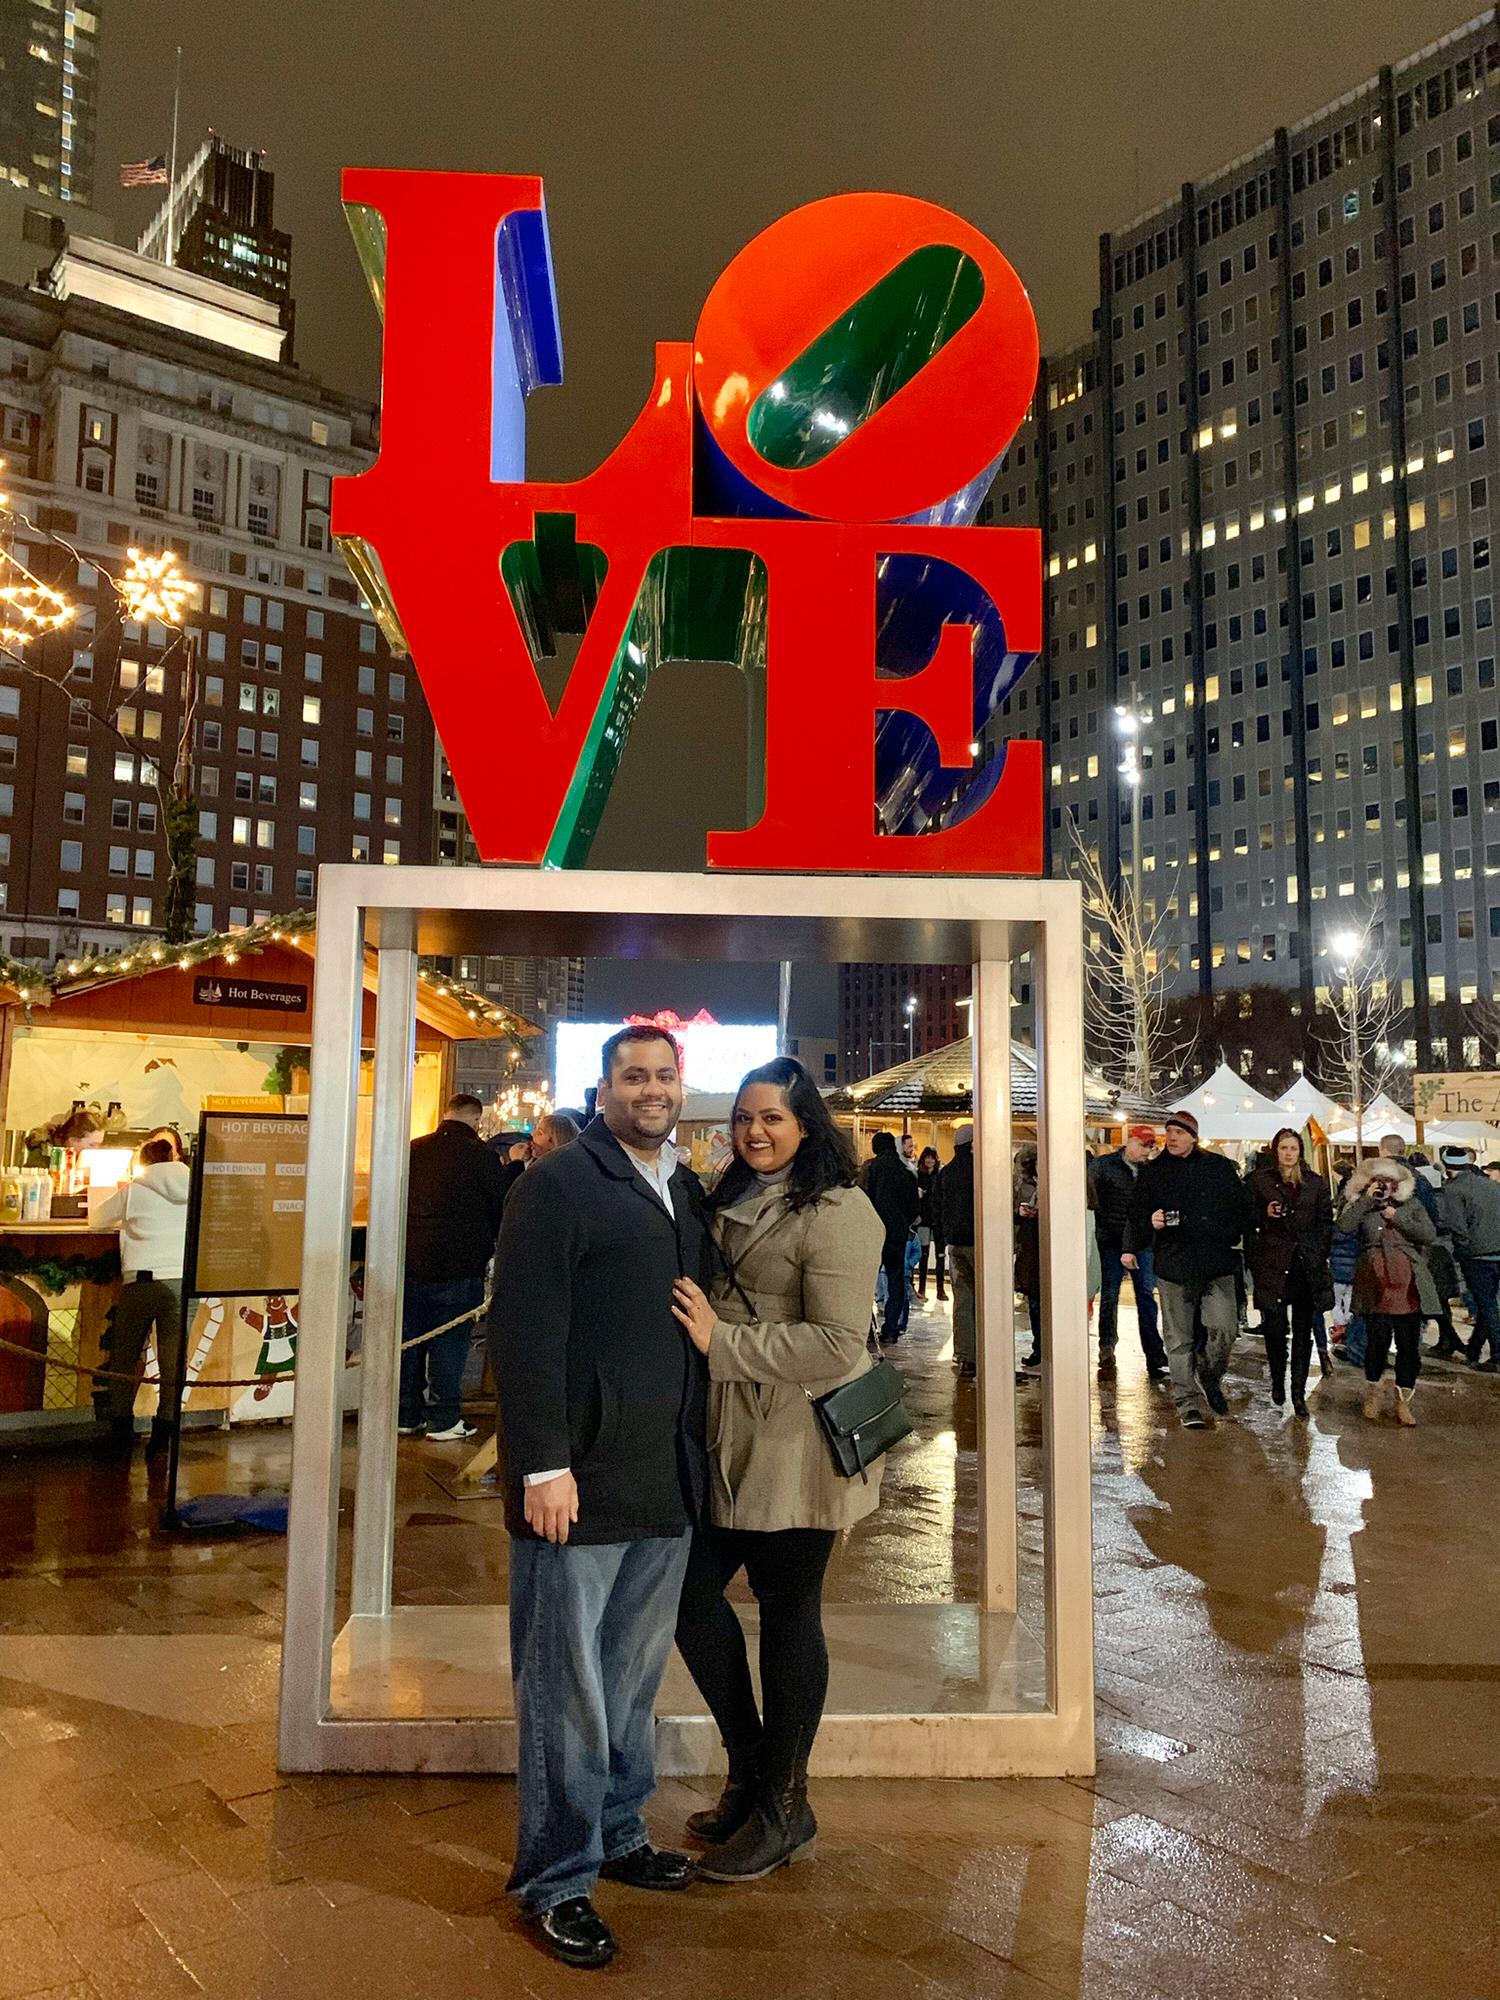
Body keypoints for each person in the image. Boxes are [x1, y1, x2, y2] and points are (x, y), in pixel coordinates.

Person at [488, 1026, 709, 1971]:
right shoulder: (558, 1184)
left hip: (663, 1476)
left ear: (680, 1085)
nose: (650, 1091)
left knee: (628, 1680)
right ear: (604, 1086)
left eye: (664, 1076)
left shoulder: (680, 1185)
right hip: (575, 1483)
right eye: (634, 1077)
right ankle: (556, 1878)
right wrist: (541, 1462)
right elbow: (524, 1327)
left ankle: (618, 1832)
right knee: (565, 1689)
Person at [669, 1057, 883, 1882]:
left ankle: (784, 1806)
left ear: (806, 1127)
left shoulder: (839, 1210)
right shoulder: (724, 1195)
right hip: (725, 1435)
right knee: (687, 1596)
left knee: (790, 1613)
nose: (755, 1132)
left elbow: (838, 1343)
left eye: (774, 1120)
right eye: (745, 1118)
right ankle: (752, 1768)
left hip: (798, 1445)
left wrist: (720, 1344)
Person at [1122, 1109, 1250, 1431]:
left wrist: (1230, 1233)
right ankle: (1187, 1403)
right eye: (1169, 1133)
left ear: (1193, 1135)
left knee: (1225, 1327)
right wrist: (1141, 1232)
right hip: (1174, 1264)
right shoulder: (1155, 1172)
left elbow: (1242, 1208)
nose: (1173, 1138)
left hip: (1215, 1262)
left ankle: (1209, 1372)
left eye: (1179, 1132)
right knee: (1178, 1340)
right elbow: (1137, 1211)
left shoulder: (1218, 1168)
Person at [398, 1093, 508, 1442]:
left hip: (408, 1263)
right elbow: (500, 1209)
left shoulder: (413, 1149)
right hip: (459, 1268)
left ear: (446, 1114)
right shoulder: (482, 1157)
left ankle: (405, 1415)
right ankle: (444, 1420)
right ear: (475, 1120)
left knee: (409, 1343)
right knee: (449, 1345)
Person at [92, 1136, 191, 1454]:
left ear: (145, 1162)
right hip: (181, 1282)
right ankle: (164, 1433)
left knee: (126, 1356)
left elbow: (96, 1219)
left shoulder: (136, 1189)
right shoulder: (196, 1188)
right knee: (173, 1362)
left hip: (142, 1281)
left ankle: (121, 1431)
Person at [1338, 1157, 1439, 1425]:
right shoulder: (1362, 1204)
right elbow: (1344, 1228)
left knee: (1409, 1346)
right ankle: (1373, 1393)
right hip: (1374, 1282)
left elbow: (1429, 1235)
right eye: (1379, 1182)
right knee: (1377, 1343)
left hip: (1409, 1283)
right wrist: (1365, 1202)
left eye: (1390, 1182)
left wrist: (1399, 1217)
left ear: (1398, 1184)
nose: (1385, 1187)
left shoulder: (1411, 1205)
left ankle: (1403, 1402)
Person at [1246, 1128, 1333, 1419]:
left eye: (1293, 1148)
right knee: (1274, 1328)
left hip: (1305, 1265)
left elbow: (1324, 1222)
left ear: (1300, 1151)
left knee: (1303, 1331)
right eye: (1283, 1148)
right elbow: (1245, 1217)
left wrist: (1319, 1253)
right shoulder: (1260, 1181)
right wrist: (1264, 1215)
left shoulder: (1315, 1184)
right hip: (1273, 1265)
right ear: (1275, 1150)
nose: (1288, 1153)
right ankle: (1277, 1381)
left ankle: (1298, 1392)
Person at [1089, 1126, 1170, 1381]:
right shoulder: (1105, 1166)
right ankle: (1107, 1345)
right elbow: (1093, 1199)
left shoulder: (1150, 1171)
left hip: (1141, 1240)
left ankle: (1155, 1355)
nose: (1147, 1151)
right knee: (1111, 1294)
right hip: (1112, 1239)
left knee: (1145, 1295)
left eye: (1150, 1146)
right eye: (1144, 1145)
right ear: (1130, 1142)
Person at [1436, 1143, 1500, 1372]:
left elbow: (1458, 1227)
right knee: (1488, 1304)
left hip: (1477, 1255)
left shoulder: (1453, 1189)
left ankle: (1497, 1355)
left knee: (1487, 1304)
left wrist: (1461, 1250)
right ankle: (1474, 1348)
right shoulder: (1490, 1185)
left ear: (1446, 1167)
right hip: (1497, 1251)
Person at [861, 1131, 919, 1344]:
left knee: (865, 1281)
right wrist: (902, 1223)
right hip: (897, 1234)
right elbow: (914, 1206)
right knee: (896, 1280)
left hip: (872, 1233)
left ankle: (864, 1328)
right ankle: (891, 1328)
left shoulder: (870, 1169)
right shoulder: (906, 1172)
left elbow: (861, 1198)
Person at [940, 1125, 976, 1376]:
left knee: (962, 1299)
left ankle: (965, 1354)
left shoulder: (947, 1172)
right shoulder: (982, 1170)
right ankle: (989, 1351)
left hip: (955, 1242)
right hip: (980, 1242)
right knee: (987, 1299)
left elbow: (937, 1206)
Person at [1013, 1144, 1042, 1372]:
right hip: (1030, 1246)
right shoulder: (1022, 1186)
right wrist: (1020, 1213)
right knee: (1035, 1301)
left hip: (1048, 1246)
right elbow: (1012, 1212)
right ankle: (1039, 1347)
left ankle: (1046, 1347)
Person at [914, 1145, 945, 1300]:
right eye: (927, 1157)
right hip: (924, 1219)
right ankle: (922, 1288)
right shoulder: (919, 1175)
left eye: (932, 1157)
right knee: (923, 1254)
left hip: (938, 1220)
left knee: (940, 1254)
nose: (930, 1160)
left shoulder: (940, 1175)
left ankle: (940, 1289)